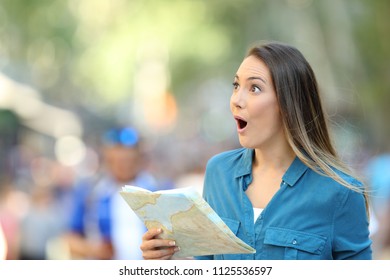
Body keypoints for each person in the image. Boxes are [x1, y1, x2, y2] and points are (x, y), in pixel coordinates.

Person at [140, 42, 372, 260]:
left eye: (255, 88)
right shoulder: (219, 172)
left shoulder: (341, 193)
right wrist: (167, 261)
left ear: (289, 104)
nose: (236, 100)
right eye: (236, 85)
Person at [65, 126, 157, 259]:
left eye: (128, 159)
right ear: (107, 159)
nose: (123, 164)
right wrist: (93, 249)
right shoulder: (91, 193)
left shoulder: (156, 192)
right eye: (117, 160)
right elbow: (70, 239)